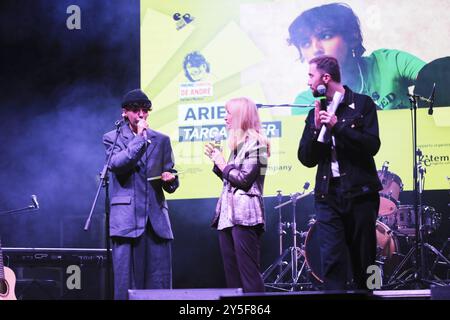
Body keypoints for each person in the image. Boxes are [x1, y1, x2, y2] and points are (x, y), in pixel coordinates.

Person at [298, 55, 382, 290]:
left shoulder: (363, 104)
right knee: (332, 260)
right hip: (328, 196)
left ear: (326, 78)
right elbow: (306, 159)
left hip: (361, 194)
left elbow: (372, 146)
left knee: (366, 261)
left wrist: (338, 127)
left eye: (310, 76)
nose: (308, 83)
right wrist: (316, 130)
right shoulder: (314, 112)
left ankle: (371, 293)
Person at [103, 89, 179, 299]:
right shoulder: (112, 138)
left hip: (156, 222)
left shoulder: (162, 140)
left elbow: (171, 173)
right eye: (136, 111)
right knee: (126, 284)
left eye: (145, 111)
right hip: (126, 221)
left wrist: (171, 179)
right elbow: (118, 164)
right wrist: (138, 138)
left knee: (159, 284)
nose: (141, 115)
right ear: (125, 112)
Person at [288, 2, 426, 113]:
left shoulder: (388, 62)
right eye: (305, 43)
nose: (316, 49)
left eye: (326, 36)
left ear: (352, 36)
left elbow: (440, 79)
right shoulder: (306, 102)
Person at [204, 97, 269, 293]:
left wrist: (222, 163)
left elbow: (244, 180)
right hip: (227, 217)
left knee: (249, 276)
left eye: (228, 114)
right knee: (233, 281)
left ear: (241, 116)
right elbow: (231, 182)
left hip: (245, 216)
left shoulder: (257, 144)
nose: (225, 118)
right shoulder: (237, 147)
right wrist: (218, 163)